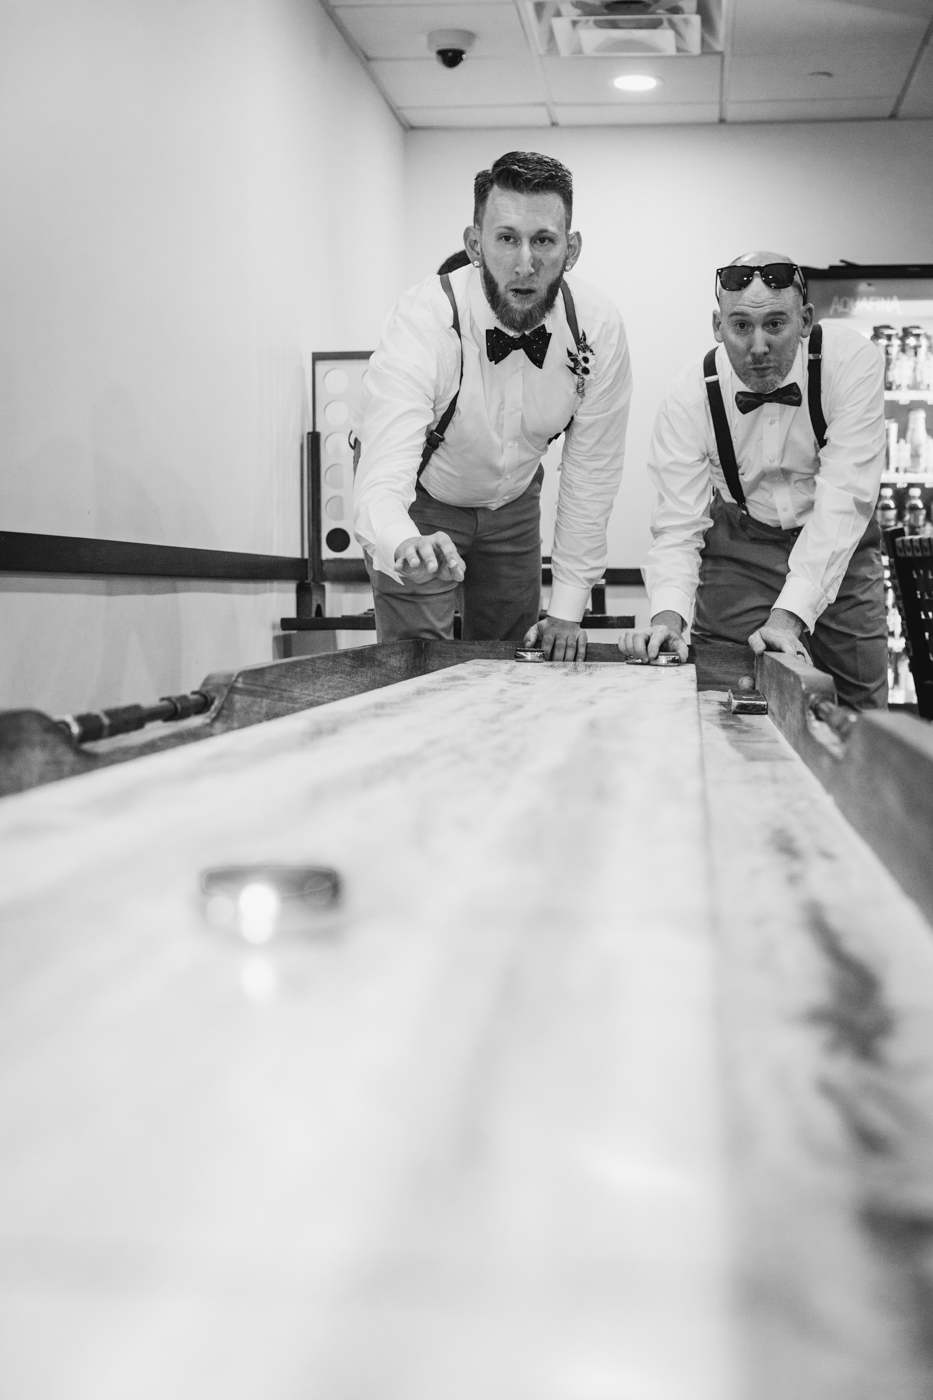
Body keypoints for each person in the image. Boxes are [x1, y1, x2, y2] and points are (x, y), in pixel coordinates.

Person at [353, 151, 632, 661]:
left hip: (514, 502)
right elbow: (382, 466)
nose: (525, 264)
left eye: (543, 240)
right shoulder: (424, 320)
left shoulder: (598, 327)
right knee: (419, 664)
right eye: (506, 238)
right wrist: (398, 541)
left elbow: (592, 473)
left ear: (571, 250)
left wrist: (568, 608)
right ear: (474, 244)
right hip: (423, 496)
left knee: (512, 661)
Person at [619, 251, 887, 709]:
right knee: (723, 694)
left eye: (775, 325)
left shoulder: (850, 363)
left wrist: (788, 618)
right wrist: (667, 619)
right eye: (741, 326)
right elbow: (678, 526)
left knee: (857, 711)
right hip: (739, 550)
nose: (758, 346)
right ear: (717, 326)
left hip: (839, 551)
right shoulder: (689, 394)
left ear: (804, 320)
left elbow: (845, 503)